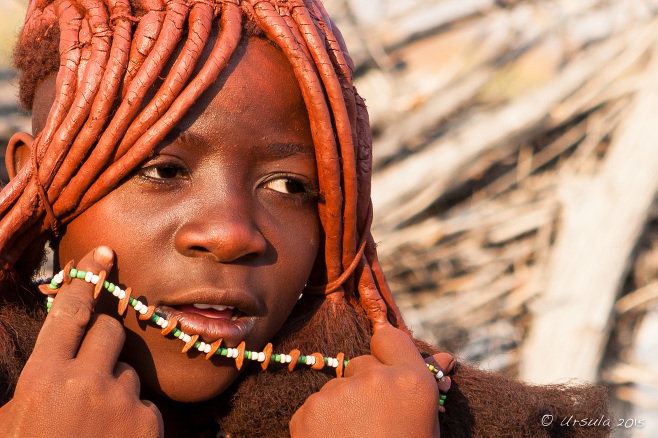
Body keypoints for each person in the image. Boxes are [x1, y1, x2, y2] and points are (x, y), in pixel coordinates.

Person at [0, 0, 610, 436]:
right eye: (163, 171)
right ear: (39, 176)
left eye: (290, 186)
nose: (233, 234)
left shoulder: (436, 416)